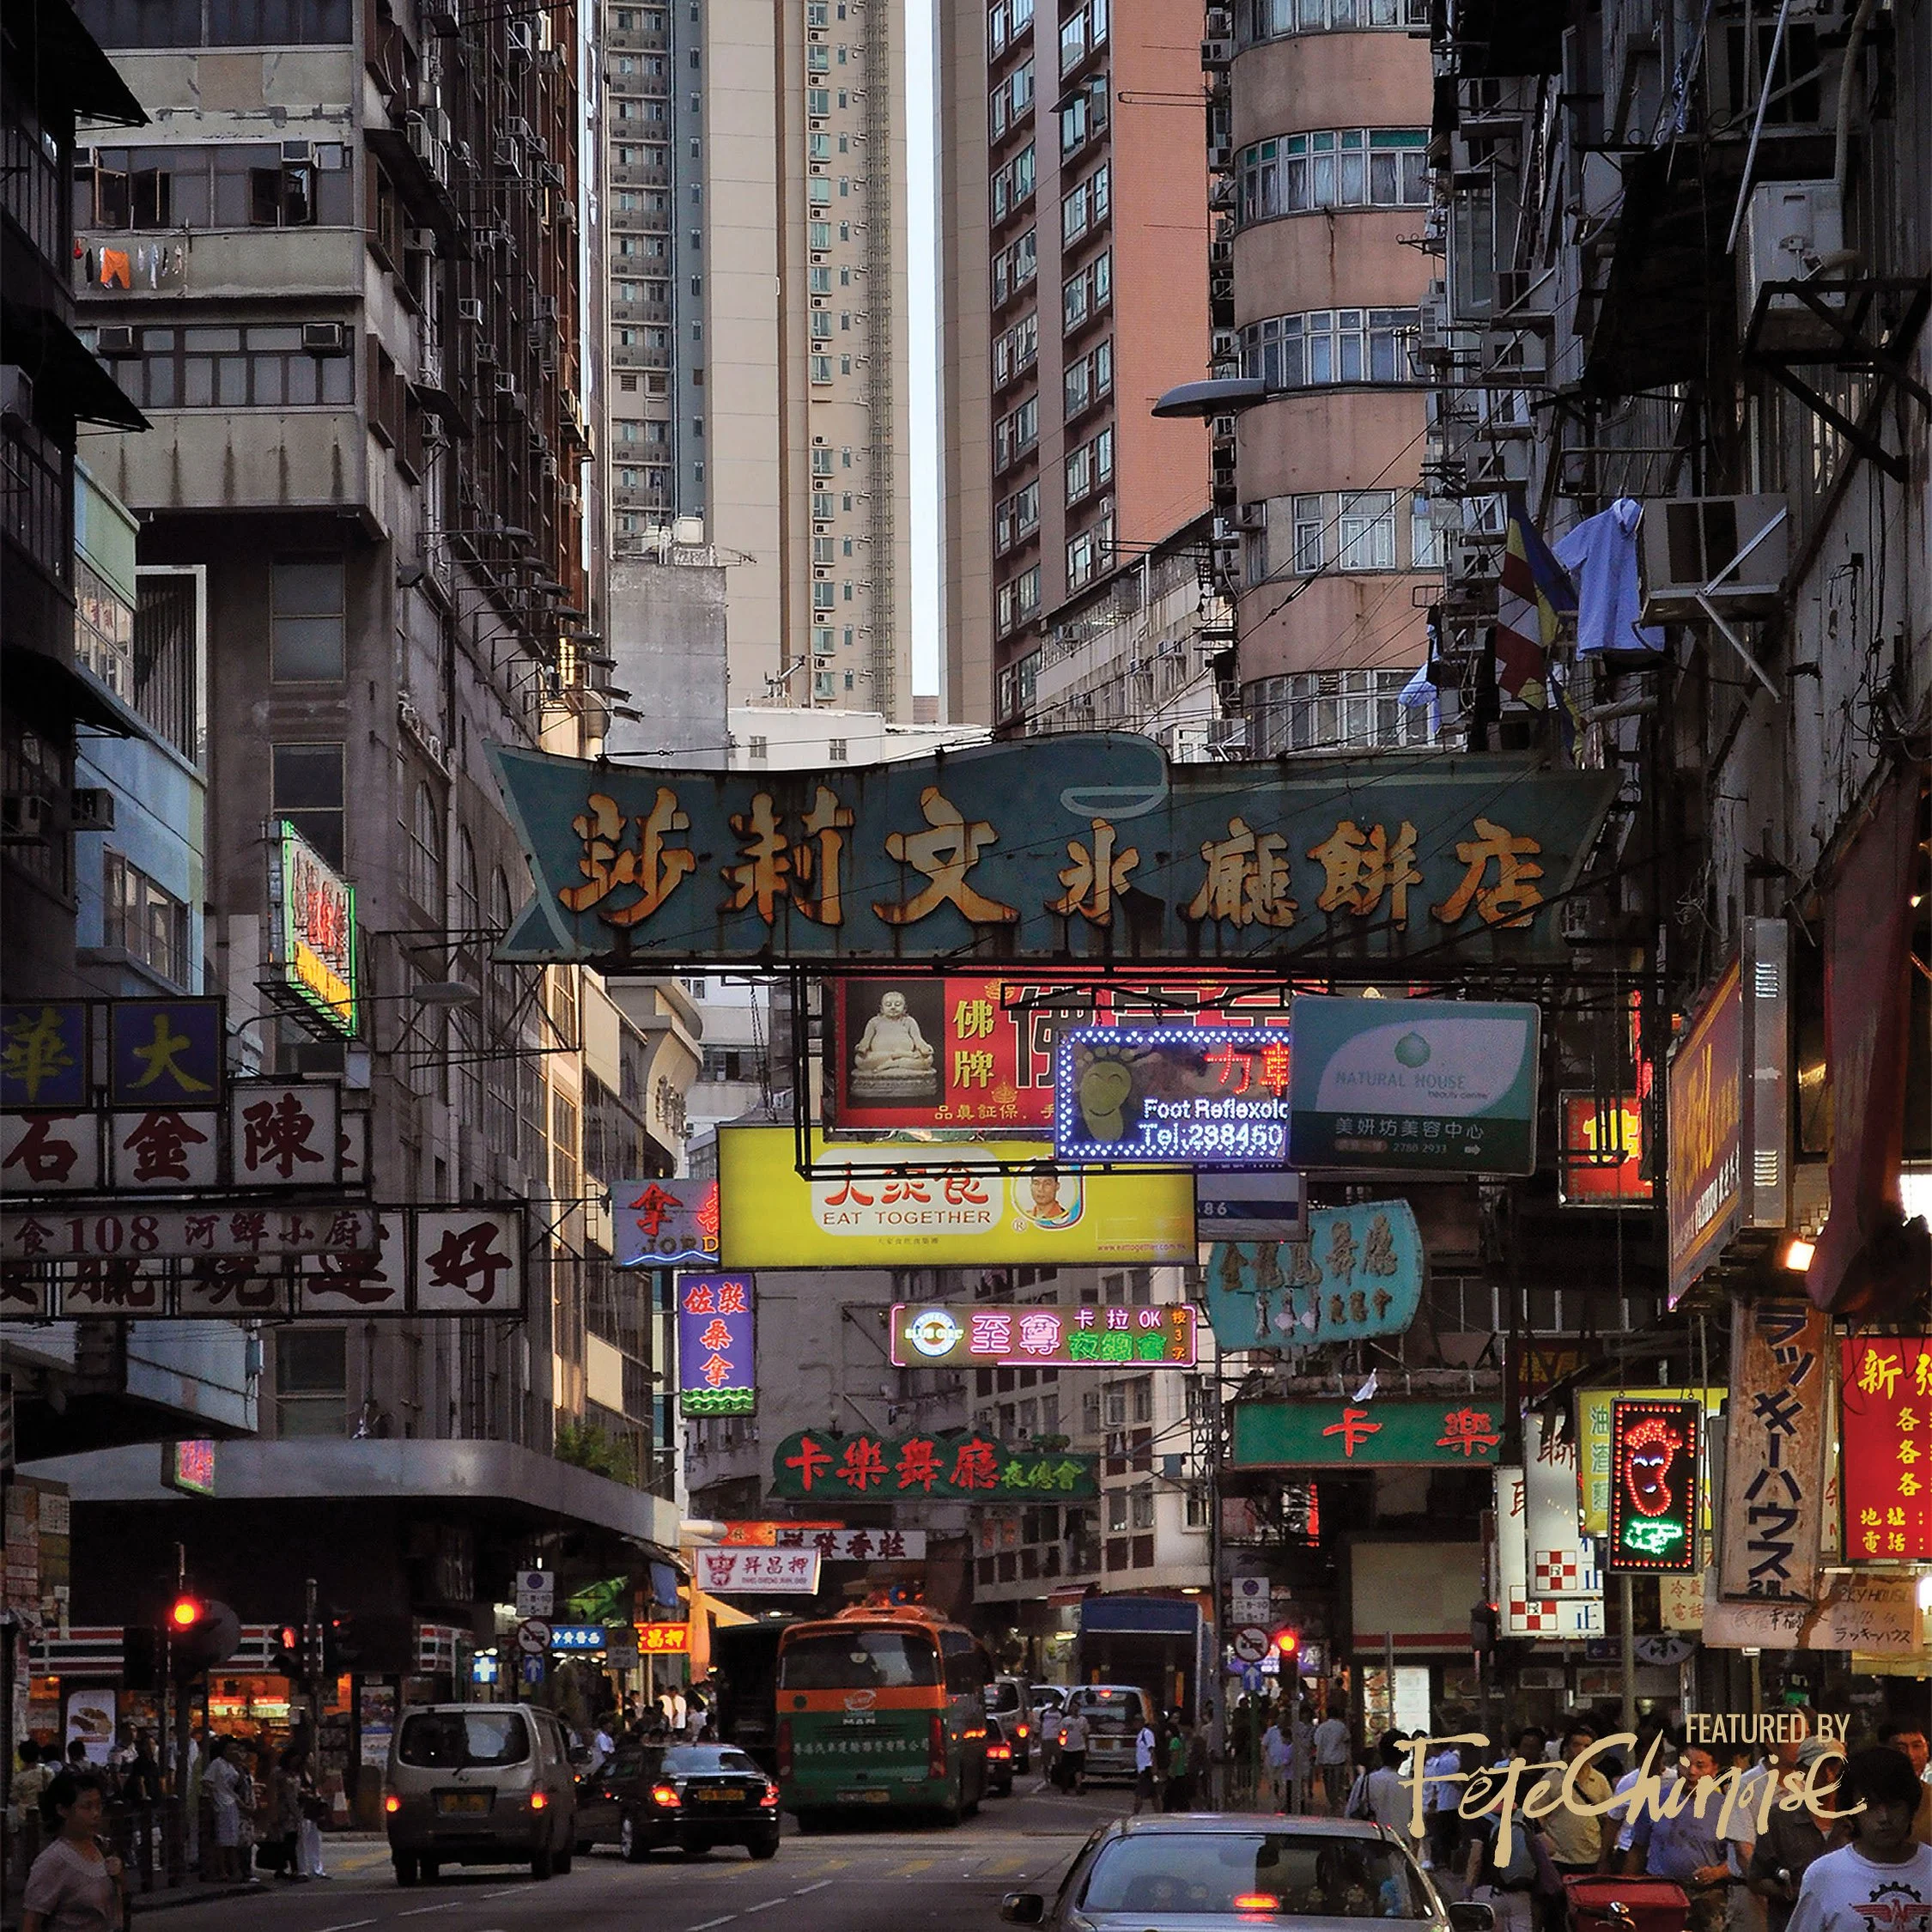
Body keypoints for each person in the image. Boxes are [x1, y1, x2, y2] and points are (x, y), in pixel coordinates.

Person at [1786, 1747, 1932, 1932]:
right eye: (1870, 1806)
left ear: (1911, 1807)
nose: (1884, 1817)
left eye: (1894, 1805)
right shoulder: (1824, 1875)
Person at [1627, 1741, 1731, 1932]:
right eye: (1685, 1764)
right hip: (1660, 1891)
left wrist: (1717, 1872)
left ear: (1714, 1769)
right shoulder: (1654, 1800)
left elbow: (1739, 1857)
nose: (1691, 1772)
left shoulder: (1726, 1808)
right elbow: (1637, 1849)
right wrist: (1628, 1890)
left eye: (1700, 1766)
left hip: (1708, 1897)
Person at [1748, 1737, 1844, 1932]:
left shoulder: (1858, 1819)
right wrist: (1788, 1893)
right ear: (1802, 1772)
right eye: (1818, 1769)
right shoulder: (1779, 1818)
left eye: (1834, 1768)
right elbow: (1757, 1879)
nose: (1828, 1777)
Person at [22, 1770, 125, 1932]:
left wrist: (119, 1878)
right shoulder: (53, 1860)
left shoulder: (102, 1846)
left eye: (99, 1806)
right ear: (63, 1810)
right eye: (87, 1807)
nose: (96, 1814)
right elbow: (32, 1923)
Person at [1543, 1722, 1613, 1877]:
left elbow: (1608, 1820)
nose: (1581, 1751)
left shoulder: (1600, 1781)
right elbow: (1537, 1817)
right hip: (1558, 1859)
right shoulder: (1551, 1779)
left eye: (1587, 1746)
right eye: (1576, 1745)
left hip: (1591, 1858)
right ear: (1567, 1748)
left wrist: (1605, 1856)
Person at [1875, 1722, 1932, 1846]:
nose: (1910, 1755)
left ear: (1927, 1749)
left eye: (1917, 1746)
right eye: (1900, 1748)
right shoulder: (1864, 1799)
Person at [203, 1737, 245, 1883]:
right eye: (230, 1749)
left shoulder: (233, 1766)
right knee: (223, 1838)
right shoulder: (217, 1763)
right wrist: (216, 1793)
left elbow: (238, 1783)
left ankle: (234, 1869)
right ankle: (222, 1870)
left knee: (233, 1838)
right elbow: (206, 1781)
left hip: (231, 1802)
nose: (233, 1752)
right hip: (222, 1803)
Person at [1315, 1705, 1352, 1814]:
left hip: (1325, 1759)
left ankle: (1331, 1800)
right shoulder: (1342, 1726)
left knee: (1328, 1781)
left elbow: (1317, 1741)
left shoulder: (1322, 1727)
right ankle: (1336, 1801)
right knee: (1338, 1781)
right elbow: (1347, 1739)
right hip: (1339, 1758)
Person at [1263, 1711, 1292, 1813]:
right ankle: (1276, 1801)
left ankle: (1283, 1803)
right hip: (1272, 1761)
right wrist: (1265, 1758)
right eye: (1280, 1719)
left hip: (1285, 1763)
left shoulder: (1290, 1731)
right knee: (1274, 1782)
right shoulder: (1271, 1731)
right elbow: (1264, 1744)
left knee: (1284, 1784)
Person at [1059, 1704, 1089, 1795]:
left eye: (1076, 1707)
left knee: (1078, 1769)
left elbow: (1086, 1734)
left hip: (1079, 1748)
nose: (1075, 1709)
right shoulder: (1065, 1720)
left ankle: (1078, 1786)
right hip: (1067, 1748)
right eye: (1073, 1707)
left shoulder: (1083, 1720)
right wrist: (1061, 1745)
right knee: (1066, 1769)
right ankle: (1065, 1786)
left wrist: (1087, 1746)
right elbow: (1061, 1733)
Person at [1133, 1713, 1159, 1815]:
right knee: (1153, 1794)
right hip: (1142, 1767)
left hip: (1147, 1768)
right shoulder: (1140, 1735)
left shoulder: (1147, 1734)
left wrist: (1154, 1768)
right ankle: (1158, 1813)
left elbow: (1152, 1751)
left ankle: (1135, 1814)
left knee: (1140, 1793)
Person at [1163, 1718, 1190, 1812]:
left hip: (1176, 1772)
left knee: (1171, 1794)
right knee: (1179, 1794)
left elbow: (1174, 1758)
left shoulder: (1174, 1741)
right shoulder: (1179, 1740)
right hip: (1180, 1772)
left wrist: (1172, 1771)